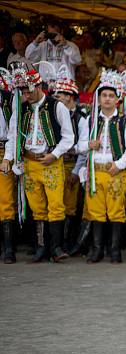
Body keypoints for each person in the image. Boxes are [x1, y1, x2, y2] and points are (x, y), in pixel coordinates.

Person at [2, 64, 75, 262]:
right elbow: (13, 135)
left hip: (51, 162)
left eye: (29, 90)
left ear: (39, 86)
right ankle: (42, 247)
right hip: (30, 162)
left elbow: (69, 137)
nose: (27, 94)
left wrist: (56, 154)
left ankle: (57, 248)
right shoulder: (21, 108)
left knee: (56, 204)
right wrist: (8, 157)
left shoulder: (56, 106)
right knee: (37, 206)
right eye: (23, 91)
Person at [79, 70, 126, 263]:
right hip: (95, 172)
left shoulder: (125, 121)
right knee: (96, 211)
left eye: (111, 96)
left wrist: (119, 164)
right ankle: (97, 249)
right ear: (98, 98)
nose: (107, 99)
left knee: (116, 211)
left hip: (115, 171)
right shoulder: (90, 120)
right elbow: (78, 146)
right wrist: (88, 145)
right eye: (104, 95)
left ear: (117, 100)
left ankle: (115, 250)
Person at [51, 69, 89, 253]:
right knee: (53, 203)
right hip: (52, 164)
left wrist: (76, 171)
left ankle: (68, 242)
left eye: (60, 94)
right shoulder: (53, 113)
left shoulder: (81, 118)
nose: (56, 97)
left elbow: (84, 149)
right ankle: (51, 244)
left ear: (70, 96)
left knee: (70, 206)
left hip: (71, 164)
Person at [0, 68, 15, 262]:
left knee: (5, 200)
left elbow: (13, 130)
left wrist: (8, 157)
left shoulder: (8, 100)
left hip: (3, 151)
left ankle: (9, 249)